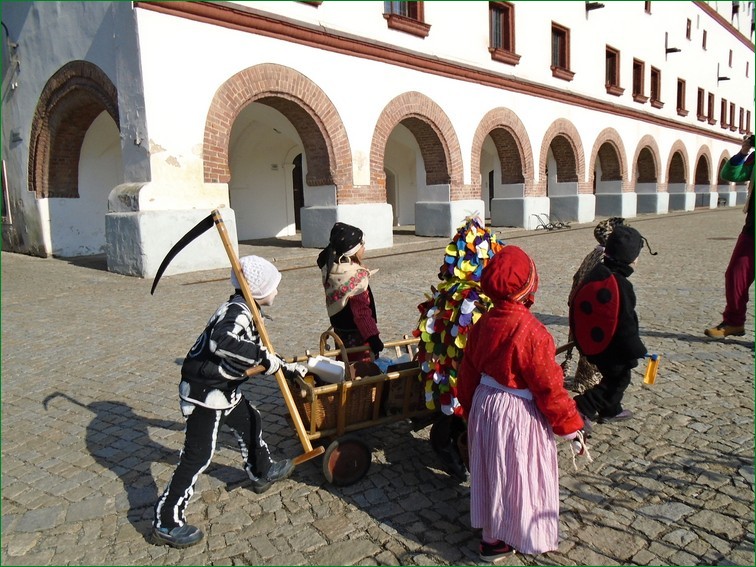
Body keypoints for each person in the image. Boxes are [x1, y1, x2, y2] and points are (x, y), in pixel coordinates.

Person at [152, 255, 308, 548]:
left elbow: (261, 350)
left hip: (224, 390)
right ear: (258, 289)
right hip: (205, 392)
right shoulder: (237, 311)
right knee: (198, 456)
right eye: (273, 286)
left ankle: (261, 471)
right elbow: (221, 341)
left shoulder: (250, 310)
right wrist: (261, 358)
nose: (277, 291)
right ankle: (166, 520)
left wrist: (286, 367)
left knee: (251, 420)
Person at [457, 245, 586, 560]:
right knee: (518, 471)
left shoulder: (482, 325)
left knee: (493, 468)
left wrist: (470, 408)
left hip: (486, 405)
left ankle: (492, 537)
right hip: (517, 412)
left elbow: (467, 373)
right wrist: (570, 427)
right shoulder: (533, 331)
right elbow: (549, 387)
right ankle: (519, 530)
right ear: (530, 285)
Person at [571, 226, 649, 425]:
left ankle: (611, 410)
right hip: (610, 346)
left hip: (592, 343)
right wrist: (637, 350)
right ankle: (584, 406)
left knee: (611, 375)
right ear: (632, 259)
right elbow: (626, 325)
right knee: (619, 379)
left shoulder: (597, 273)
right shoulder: (621, 285)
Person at [565, 217, 626, 394]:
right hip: (592, 308)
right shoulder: (605, 259)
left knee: (584, 345)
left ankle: (582, 381)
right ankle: (588, 385)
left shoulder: (594, 253)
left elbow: (577, 277)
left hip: (581, 306)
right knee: (592, 350)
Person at [705, 134, 755, 339]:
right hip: (752, 229)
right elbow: (731, 174)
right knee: (735, 274)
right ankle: (734, 322)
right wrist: (744, 152)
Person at [316, 222, 383, 362]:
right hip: (359, 337)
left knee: (344, 362)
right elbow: (361, 313)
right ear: (352, 250)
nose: (364, 246)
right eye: (361, 244)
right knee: (359, 369)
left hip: (341, 332)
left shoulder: (333, 269)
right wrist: (373, 338)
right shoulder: (355, 277)